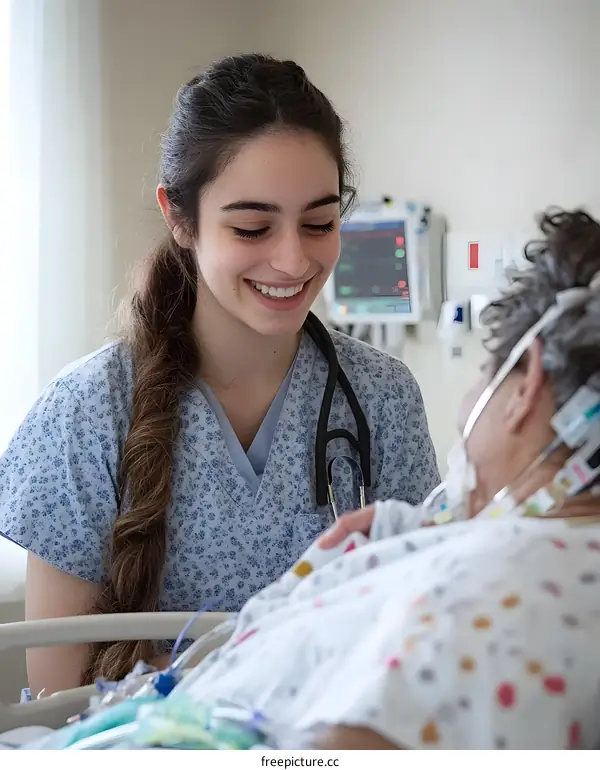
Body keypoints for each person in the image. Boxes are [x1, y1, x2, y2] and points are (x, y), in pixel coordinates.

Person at [0, 54, 439, 696]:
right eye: (252, 227)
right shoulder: (88, 413)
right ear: (180, 219)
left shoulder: (382, 400)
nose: (292, 260)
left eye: (319, 223)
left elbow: (414, 641)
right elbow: (59, 705)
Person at [165, 208, 600, 750]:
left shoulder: (474, 592)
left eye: (487, 371)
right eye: (253, 227)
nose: (292, 258)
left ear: (526, 385)